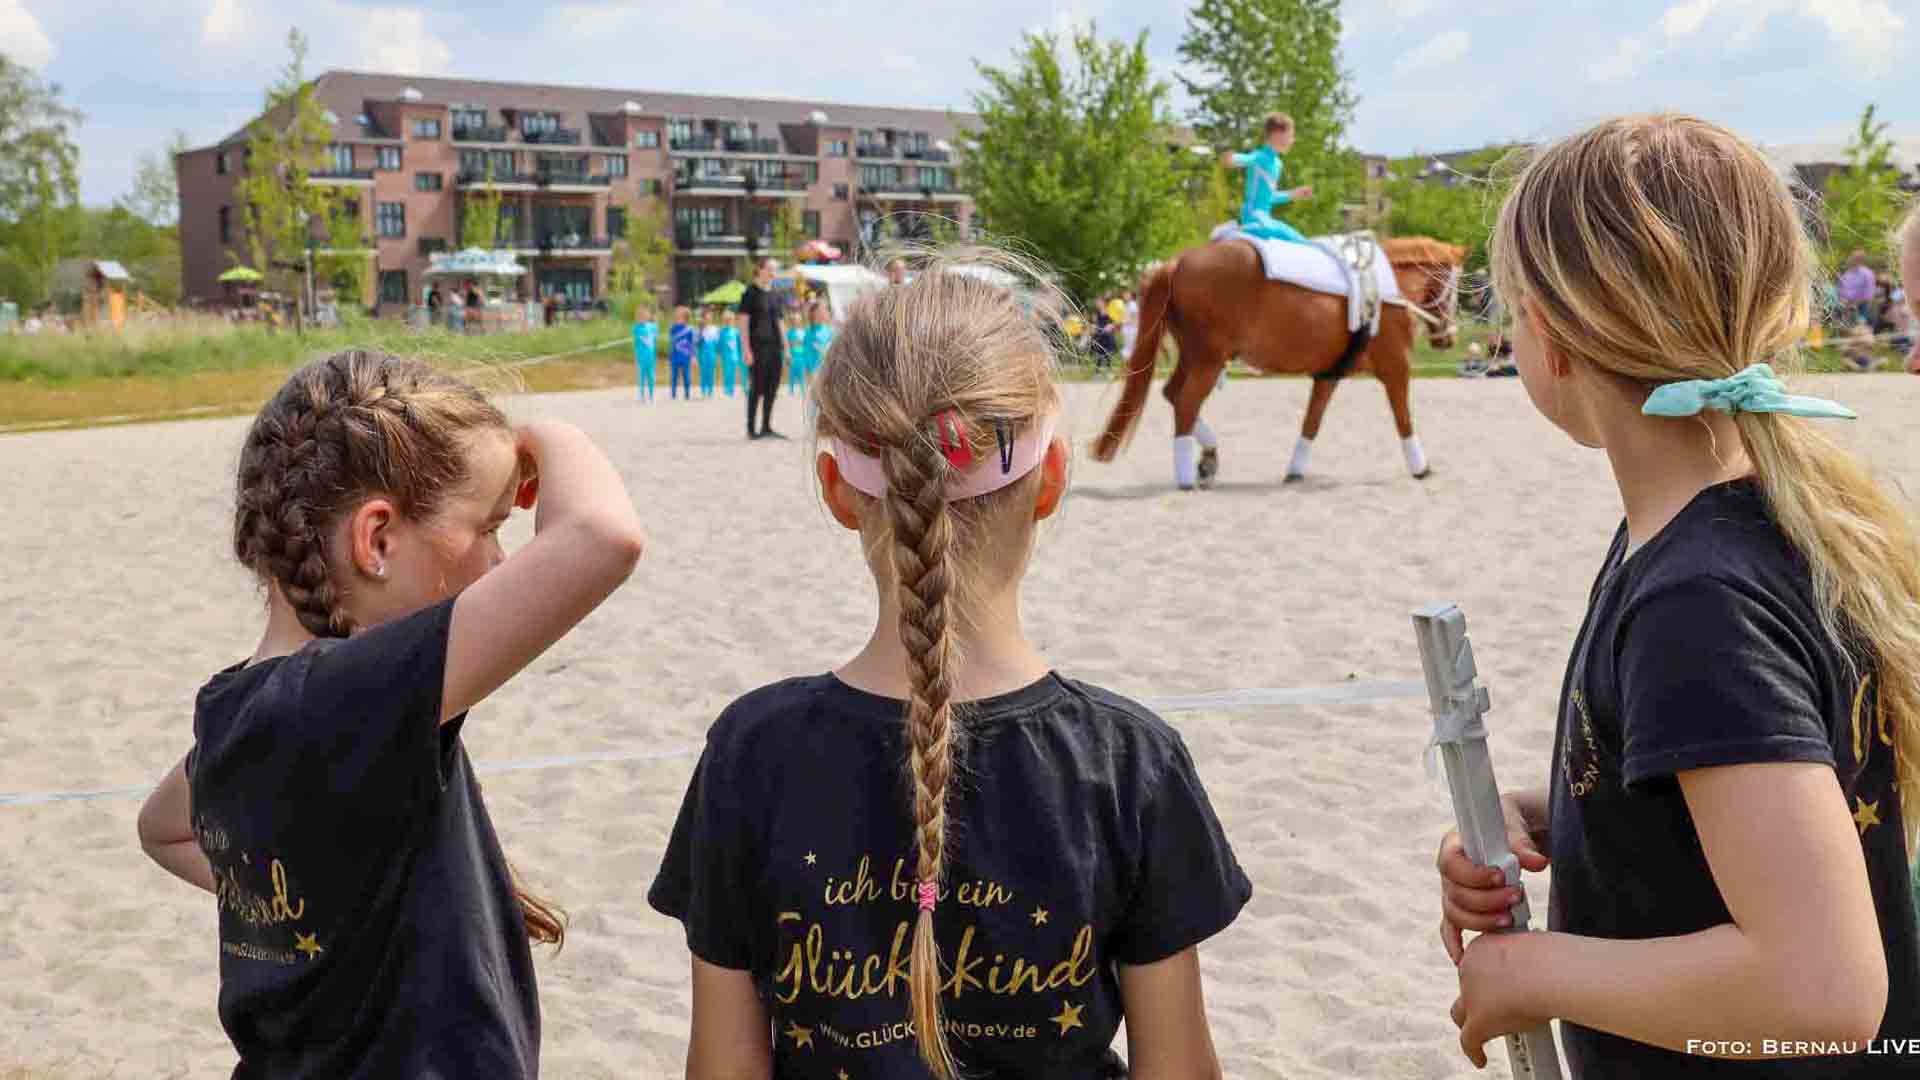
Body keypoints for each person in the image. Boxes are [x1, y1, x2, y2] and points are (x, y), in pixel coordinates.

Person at [648, 253, 1249, 1080]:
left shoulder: (751, 751)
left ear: (836, 487)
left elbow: (721, 1068)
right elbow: (1178, 1068)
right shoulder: (1128, 762)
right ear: (1051, 482)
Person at [1436, 114, 1917, 1077]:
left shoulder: (1699, 599)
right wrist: (1572, 818)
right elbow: (1775, 782)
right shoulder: (1744, 529)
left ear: (1555, 337)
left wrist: (1536, 974)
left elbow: (1821, 990)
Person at [134, 351, 646, 1077]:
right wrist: (540, 435)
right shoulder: (350, 696)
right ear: (376, 540)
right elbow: (602, 537)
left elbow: (162, 828)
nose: (501, 563)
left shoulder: (236, 706)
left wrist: (334, 903)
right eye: (492, 527)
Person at [1220, 112, 1314, 244]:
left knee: (1299, 239)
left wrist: (1294, 194)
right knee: (1282, 231)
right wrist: (1232, 159)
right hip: (1252, 217)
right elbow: (1246, 159)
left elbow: (1269, 198)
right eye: (1291, 136)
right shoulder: (1260, 157)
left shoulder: (1277, 164)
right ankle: (1233, 230)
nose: (1293, 141)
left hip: (1264, 218)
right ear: (1277, 135)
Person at [737, 258, 785, 438]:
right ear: (760, 270)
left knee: (772, 388)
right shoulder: (750, 293)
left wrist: (786, 347)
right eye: (770, 269)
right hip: (757, 346)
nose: (773, 273)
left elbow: (780, 322)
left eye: (775, 270)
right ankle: (751, 429)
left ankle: (766, 427)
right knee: (757, 388)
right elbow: (743, 322)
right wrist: (746, 349)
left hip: (775, 347)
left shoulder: (775, 292)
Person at [1837, 250, 1876, 328]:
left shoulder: (1867, 274)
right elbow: (1840, 289)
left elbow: (1868, 295)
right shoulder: (1847, 273)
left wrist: (1854, 304)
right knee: (1845, 330)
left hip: (1862, 307)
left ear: (1860, 260)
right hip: (1846, 307)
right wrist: (1843, 301)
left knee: (1860, 329)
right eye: (1851, 257)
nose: (1850, 259)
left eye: (1853, 257)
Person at [633, 303, 658, 402]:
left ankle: (652, 394)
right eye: (640, 316)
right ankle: (642, 394)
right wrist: (636, 356)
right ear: (638, 317)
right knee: (642, 375)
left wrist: (655, 323)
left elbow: (655, 339)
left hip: (651, 356)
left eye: (645, 315)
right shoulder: (636, 328)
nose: (643, 317)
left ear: (648, 316)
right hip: (641, 356)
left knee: (651, 375)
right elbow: (636, 343)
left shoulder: (653, 326)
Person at [669, 305, 695, 401]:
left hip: (685, 356)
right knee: (674, 376)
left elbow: (691, 344)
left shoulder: (689, 330)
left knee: (686, 375)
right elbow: (672, 339)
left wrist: (693, 356)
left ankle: (687, 393)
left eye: (680, 317)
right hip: (675, 355)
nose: (677, 318)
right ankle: (673, 393)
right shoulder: (673, 328)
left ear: (685, 318)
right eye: (676, 317)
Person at [786, 305, 812, 395]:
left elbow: (806, 344)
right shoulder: (789, 333)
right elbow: (787, 345)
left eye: (797, 320)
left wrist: (806, 355)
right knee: (792, 374)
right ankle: (791, 390)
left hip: (802, 356)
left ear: (800, 321)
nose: (795, 322)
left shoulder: (803, 332)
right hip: (793, 356)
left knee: (802, 374)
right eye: (794, 320)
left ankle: (803, 390)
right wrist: (788, 356)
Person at [806, 300, 835, 380]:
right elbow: (807, 354)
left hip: (830, 369)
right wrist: (810, 372)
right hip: (816, 372)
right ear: (814, 314)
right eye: (822, 310)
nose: (825, 312)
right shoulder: (809, 333)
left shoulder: (830, 330)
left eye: (825, 310)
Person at [698, 307, 721, 399]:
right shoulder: (701, 329)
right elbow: (698, 343)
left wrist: (718, 353)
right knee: (703, 372)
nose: (708, 318)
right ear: (703, 318)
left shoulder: (715, 329)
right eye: (706, 316)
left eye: (710, 316)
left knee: (711, 372)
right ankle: (703, 390)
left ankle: (710, 391)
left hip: (712, 352)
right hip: (703, 353)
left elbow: (717, 343)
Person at [719, 311, 743, 397]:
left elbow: (739, 344)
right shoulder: (722, 332)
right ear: (724, 321)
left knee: (733, 373)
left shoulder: (736, 332)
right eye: (726, 320)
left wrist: (741, 355)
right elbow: (720, 344)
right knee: (726, 373)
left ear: (733, 320)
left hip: (734, 356)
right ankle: (726, 389)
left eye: (730, 320)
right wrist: (720, 354)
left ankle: (731, 390)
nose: (728, 322)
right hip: (725, 356)